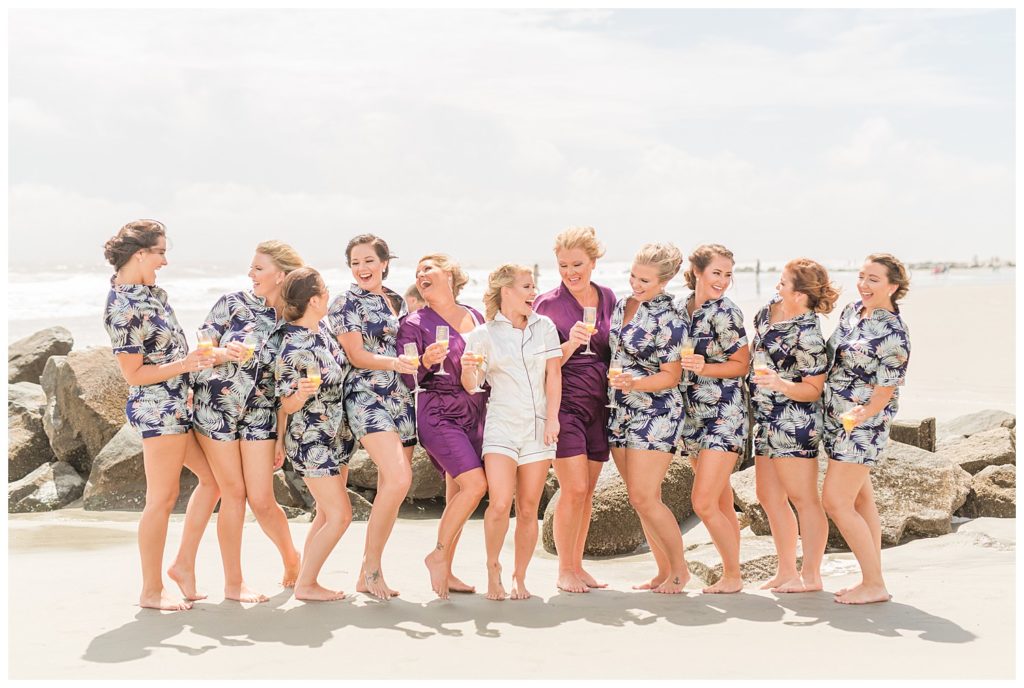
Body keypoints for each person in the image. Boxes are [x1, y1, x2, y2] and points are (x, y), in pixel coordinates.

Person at [102, 219, 221, 611]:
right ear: (141, 254)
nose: (165, 261)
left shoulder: (152, 294)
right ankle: (151, 590)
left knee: (213, 480)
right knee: (161, 499)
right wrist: (187, 365)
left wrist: (201, 362)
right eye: (161, 252)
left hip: (178, 403)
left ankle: (182, 566)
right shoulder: (123, 306)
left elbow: (171, 355)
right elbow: (133, 374)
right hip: (157, 409)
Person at [191, 241, 303, 601]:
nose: (250, 274)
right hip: (216, 408)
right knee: (234, 495)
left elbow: (286, 383)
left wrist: (281, 438)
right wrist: (223, 351)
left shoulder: (291, 319)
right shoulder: (232, 303)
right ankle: (234, 583)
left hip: (260, 415)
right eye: (251, 268)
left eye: (258, 268)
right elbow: (203, 344)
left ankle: (292, 559)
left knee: (263, 499)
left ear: (280, 275)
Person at [463, 264, 562, 601]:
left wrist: (552, 418)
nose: (533, 293)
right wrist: (468, 370)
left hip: (537, 429)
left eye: (534, 286)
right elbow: (473, 385)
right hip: (501, 427)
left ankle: (521, 576)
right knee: (500, 502)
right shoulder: (482, 335)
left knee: (529, 506)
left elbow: (554, 376)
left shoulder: (545, 327)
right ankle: (493, 568)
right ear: (506, 291)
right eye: (526, 286)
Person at [329, 234, 417, 600]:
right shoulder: (345, 302)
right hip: (365, 395)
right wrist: (392, 363)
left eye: (369, 261)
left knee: (391, 489)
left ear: (384, 262)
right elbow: (356, 354)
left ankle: (370, 568)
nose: (362, 268)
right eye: (355, 262)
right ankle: (371, 569)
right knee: (398, 479)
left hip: (401, 397)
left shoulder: (398, 300)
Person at [821, 253, 911, 605]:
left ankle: (874, 584)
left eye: (874, 279)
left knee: (835, 501)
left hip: (862, 425)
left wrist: (863, 412)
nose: (864, 284)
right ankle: (872, 578)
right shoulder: (851, 311)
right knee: (861, 498)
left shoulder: (893, 332)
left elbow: (886, 389)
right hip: (835, 418)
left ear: (893, 286)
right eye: (862, 276)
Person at [396, 254, 487, 599]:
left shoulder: (475, 316)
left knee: (457, 494)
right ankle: (436, 557)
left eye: (428, 269)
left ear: (449, 274)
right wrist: (423, 362)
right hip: (437, 410)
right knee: (475, 485)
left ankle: (446, 571)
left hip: (475, 408)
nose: (421, 275)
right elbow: (406, 377)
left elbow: (486, 361)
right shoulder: (413, 323)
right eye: (418, 272)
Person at [533, 226, 615, 593]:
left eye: (577, 264)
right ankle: (564, 570)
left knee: (589, 490)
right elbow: (535, 361)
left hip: (600, 403)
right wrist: (567, 345)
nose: (570, 272)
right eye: (563, 265)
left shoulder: (609, 297)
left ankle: (578, 566)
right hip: (563, 402)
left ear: (594, 261)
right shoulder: (547, 304)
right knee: (574, 487)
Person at [748, 258, 837, 593]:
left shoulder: (809, 335)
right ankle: (786, 570)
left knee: (803, 499)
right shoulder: (766, 312)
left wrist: (781, 384)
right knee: (768, 495)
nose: (777, 286)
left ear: (800, 295)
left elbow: (813, 389)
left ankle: (811, 575)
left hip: (794, 421)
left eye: (784, 283)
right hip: (765, 418)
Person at [607, 243, 689, 594]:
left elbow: (672, 376)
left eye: (645, 280)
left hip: (656, 413)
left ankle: (680, 571)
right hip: (620, 409)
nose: (636, 284)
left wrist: (636, 382)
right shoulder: (620, 305)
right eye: (633, 276)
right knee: (640, 495)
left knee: (644, 497)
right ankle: (662, 570)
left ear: (664, 281)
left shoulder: (670, 318)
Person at [275, 267, 355, 601]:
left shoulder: (322, 331)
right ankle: (307, 584)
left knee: (325, 512)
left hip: (336, 435)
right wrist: (301, 394)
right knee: (340, 515)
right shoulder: (292, 344)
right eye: (324, 291)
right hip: (311, 439)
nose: (328, 295)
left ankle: (303, 575)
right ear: (314, 299)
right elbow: (286, 404)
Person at [678, 243, 750, 594]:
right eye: (716, 272)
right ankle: (730, 572)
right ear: (697, 272)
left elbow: (742, 365)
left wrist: (705, 367)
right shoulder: (679, 308)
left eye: (727, 274)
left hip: (724, 415)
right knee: (720, 502)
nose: (722, 280)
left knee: (703, 502)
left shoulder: (727, 313)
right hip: (691, 416)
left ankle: (734, 576)